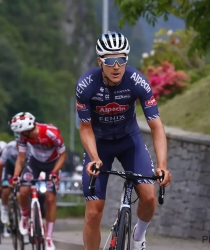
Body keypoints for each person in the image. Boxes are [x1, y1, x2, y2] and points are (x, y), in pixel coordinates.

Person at [75, 31, 172, 250]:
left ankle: (138, 237)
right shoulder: (86, 85)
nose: (117, 66)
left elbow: (156, 126)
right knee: (93, 213)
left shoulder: (136, 81)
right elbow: (85, 127)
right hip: (99, 144)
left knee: (148, 198)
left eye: (122, 59)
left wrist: (162, 165)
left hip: (130, 141)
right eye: (110, 60)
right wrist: (94, 158)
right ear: (100, 61)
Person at [9, 112, 67, 250]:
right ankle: (24, 215)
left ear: (27, 130)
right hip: (34, 162)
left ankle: (48, 238)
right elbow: (21, 158)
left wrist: (54, 172)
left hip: (52, 164)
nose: (19, 136)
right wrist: (16, 175)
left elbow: (63, 155)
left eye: (20, 132)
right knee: (23, 191)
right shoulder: (24, 138)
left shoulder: (51, 133)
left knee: (50, 199)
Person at [0, 133, 19, 238]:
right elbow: (0, 166)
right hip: (9, 168)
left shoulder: (30, 146)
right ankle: (4, 208)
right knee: (5, 190)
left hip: (23, 168)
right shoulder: (9, 147)